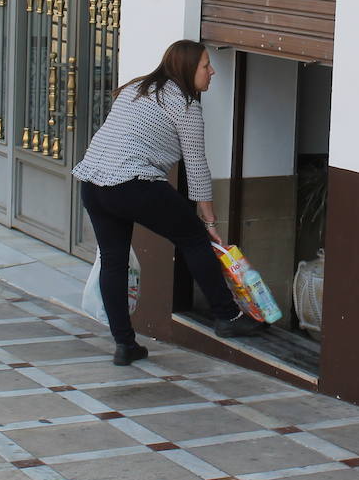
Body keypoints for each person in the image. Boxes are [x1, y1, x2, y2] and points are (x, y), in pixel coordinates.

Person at [73, 39, 264, 365]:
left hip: (93, 183)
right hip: (132, 182)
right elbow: (197, 165)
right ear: (188, 69)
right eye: (206, 66)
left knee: (113, 260)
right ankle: (227, 317)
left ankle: (124, 344)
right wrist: (210, 223)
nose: (212, 72)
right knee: (194, 239)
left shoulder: (135, 89)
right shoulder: (185, 106)